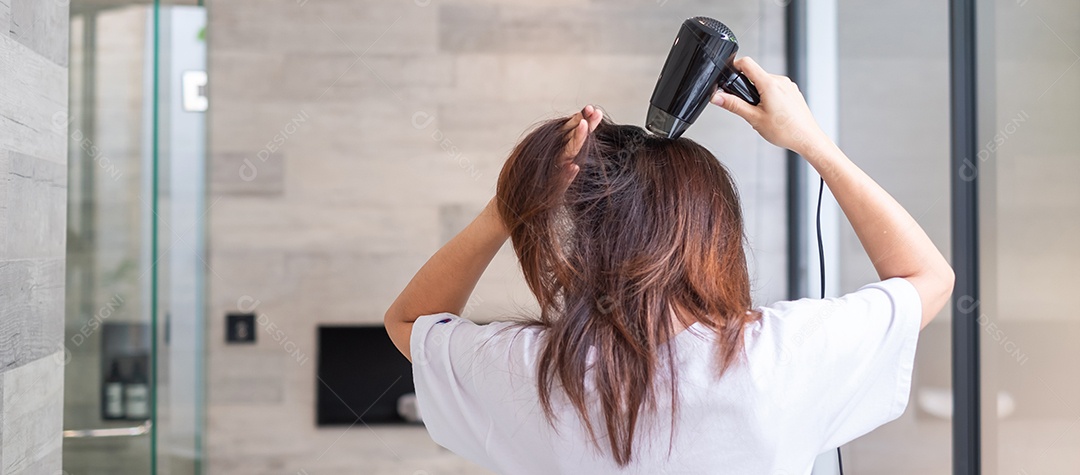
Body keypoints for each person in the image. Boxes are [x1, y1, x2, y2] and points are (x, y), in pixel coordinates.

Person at [384, 57, 954, 474]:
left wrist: (508, 208)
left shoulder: (533, 372)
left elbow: (410, 321)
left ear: (589, 241)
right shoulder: (783, 358)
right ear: (716, 234)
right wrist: (812, 143)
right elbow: (929, 278)